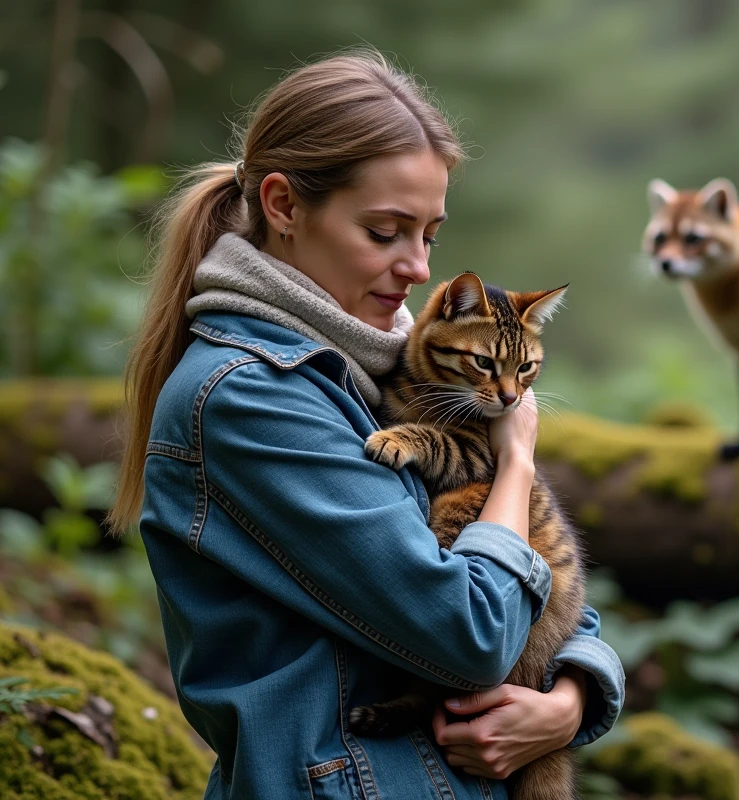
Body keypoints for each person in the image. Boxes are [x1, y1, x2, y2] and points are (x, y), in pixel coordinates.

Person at [109, 48, 624, 800]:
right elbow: (472, 633)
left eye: (430, 235)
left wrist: (568, 702)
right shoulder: (254, 399)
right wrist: (515, 465)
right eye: (386, 232)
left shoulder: (374, 366)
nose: (418, 267)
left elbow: (546, 583)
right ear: (284, 207)